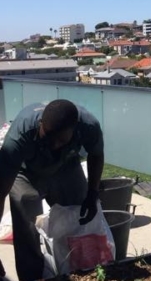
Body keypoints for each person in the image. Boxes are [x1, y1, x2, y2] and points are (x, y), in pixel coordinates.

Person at [0, 99, 104, 281]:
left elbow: (96, 154)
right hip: (26, 171)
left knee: (77, 214)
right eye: (48, 137)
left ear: (75, 129)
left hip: (65, 166)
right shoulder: (21, 133)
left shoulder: (88, 125)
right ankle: (33, 276)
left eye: (61, 140)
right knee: (26, 223)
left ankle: (77, 270)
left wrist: (92, 194)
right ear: (40, 124)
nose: (54, 144)